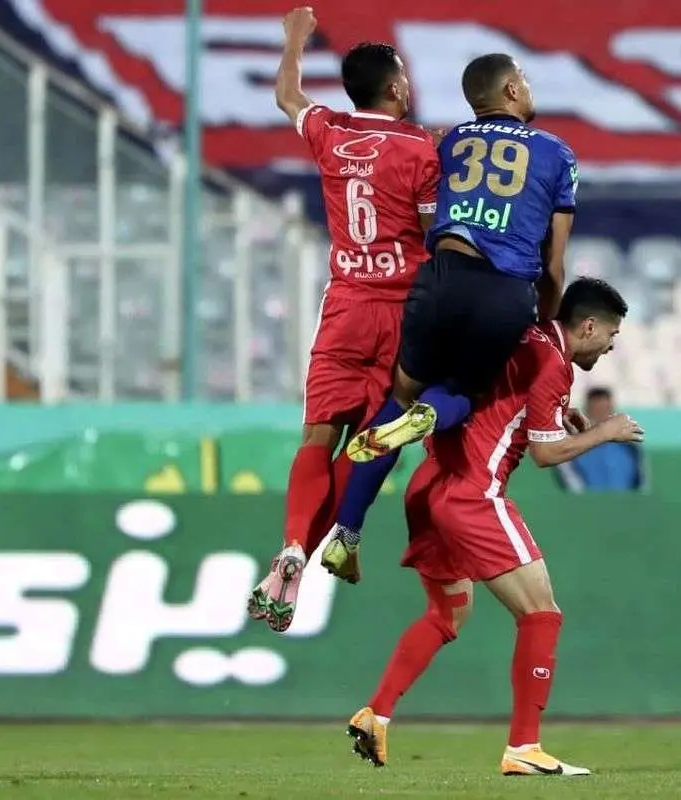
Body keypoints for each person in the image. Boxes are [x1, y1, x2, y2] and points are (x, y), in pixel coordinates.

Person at [345, 278, 642, 775]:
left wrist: (554, 410)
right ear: (589, 326)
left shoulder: (525, 336)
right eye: (611, 334)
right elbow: (546, 453)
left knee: (447, 615)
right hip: (474, 493)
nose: (611, 345)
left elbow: (507, 395)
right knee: (541, 614)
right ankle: (524, 747)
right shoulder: (554, 363)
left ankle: (376, 714)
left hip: (430, 485)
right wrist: (605, 432)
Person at [322, 52, 580, 581]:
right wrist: (543, 330)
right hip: (505, 290)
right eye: (524, 79)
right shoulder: (557, 153)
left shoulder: (446, 142)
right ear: (511, 90)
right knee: (465, 389)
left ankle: (346, 534)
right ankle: (431, 415)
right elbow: (554, 266)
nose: (529, 87)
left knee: (397, 398)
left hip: (440, 277)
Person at [247, 7, 441, 632]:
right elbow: (436, 234)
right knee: (368, 445)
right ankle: (315, 552)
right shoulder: (421, 148)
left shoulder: (328, 131)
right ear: (395, 87)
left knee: (316, 439)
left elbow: (287, 95)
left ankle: (291, 547)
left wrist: (294, 40)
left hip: (346, 307)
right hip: (402, 313)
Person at [557, 387, 646, 492]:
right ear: (587, 410)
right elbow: (571, 483)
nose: (601, 415)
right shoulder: (573, 446)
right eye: (597, 410)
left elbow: (641, 484)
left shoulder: (631, 449)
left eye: (605, 409)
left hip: (625, 502)